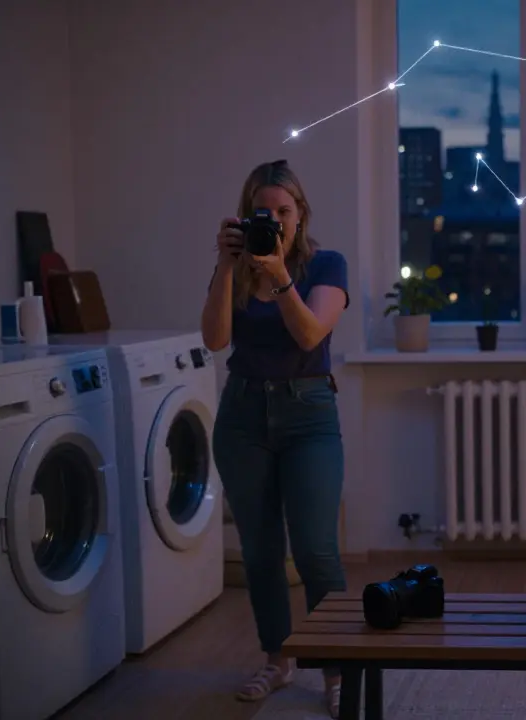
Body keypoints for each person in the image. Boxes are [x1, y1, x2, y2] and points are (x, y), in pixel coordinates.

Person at [201, 159, 351, 718]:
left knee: (315, 549)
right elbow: (215, 340)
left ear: (301, 214)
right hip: (241, 414)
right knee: (261, 552)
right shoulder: (236, 271)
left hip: (308, 413)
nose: (275, 222)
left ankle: (338, 668)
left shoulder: (325, 264)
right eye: (262, 214)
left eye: (283, 212)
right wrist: (225, 265)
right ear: (246, 217)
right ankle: (277, 659)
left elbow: (311, 332)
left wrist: (281, 274)